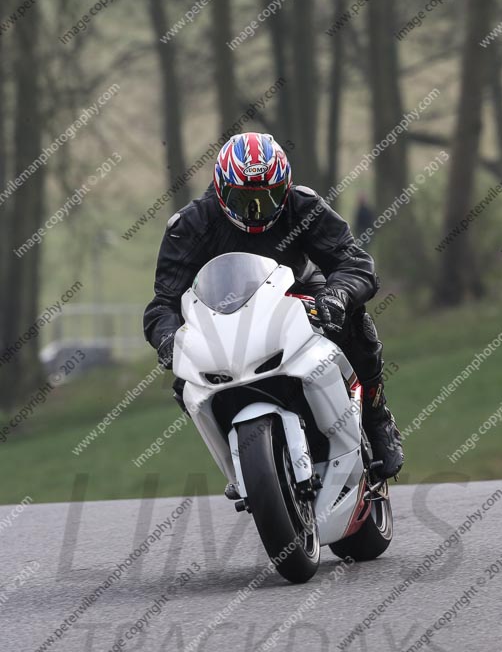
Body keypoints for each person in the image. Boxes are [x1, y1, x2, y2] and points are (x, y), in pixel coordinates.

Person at [144, 132, 403, 483]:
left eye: (269, 198)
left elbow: (355, 263)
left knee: (354, 321)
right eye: (243, 199)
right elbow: (162, 304)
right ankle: (235, 463)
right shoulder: (189, 226)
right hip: (222, 316)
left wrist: (337, 295)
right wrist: (168, 339)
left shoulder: (303, 205)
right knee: (183, 376)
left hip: (297, 293)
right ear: (221, 189)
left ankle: (378, 420)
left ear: (286, 188)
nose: (255, 211)